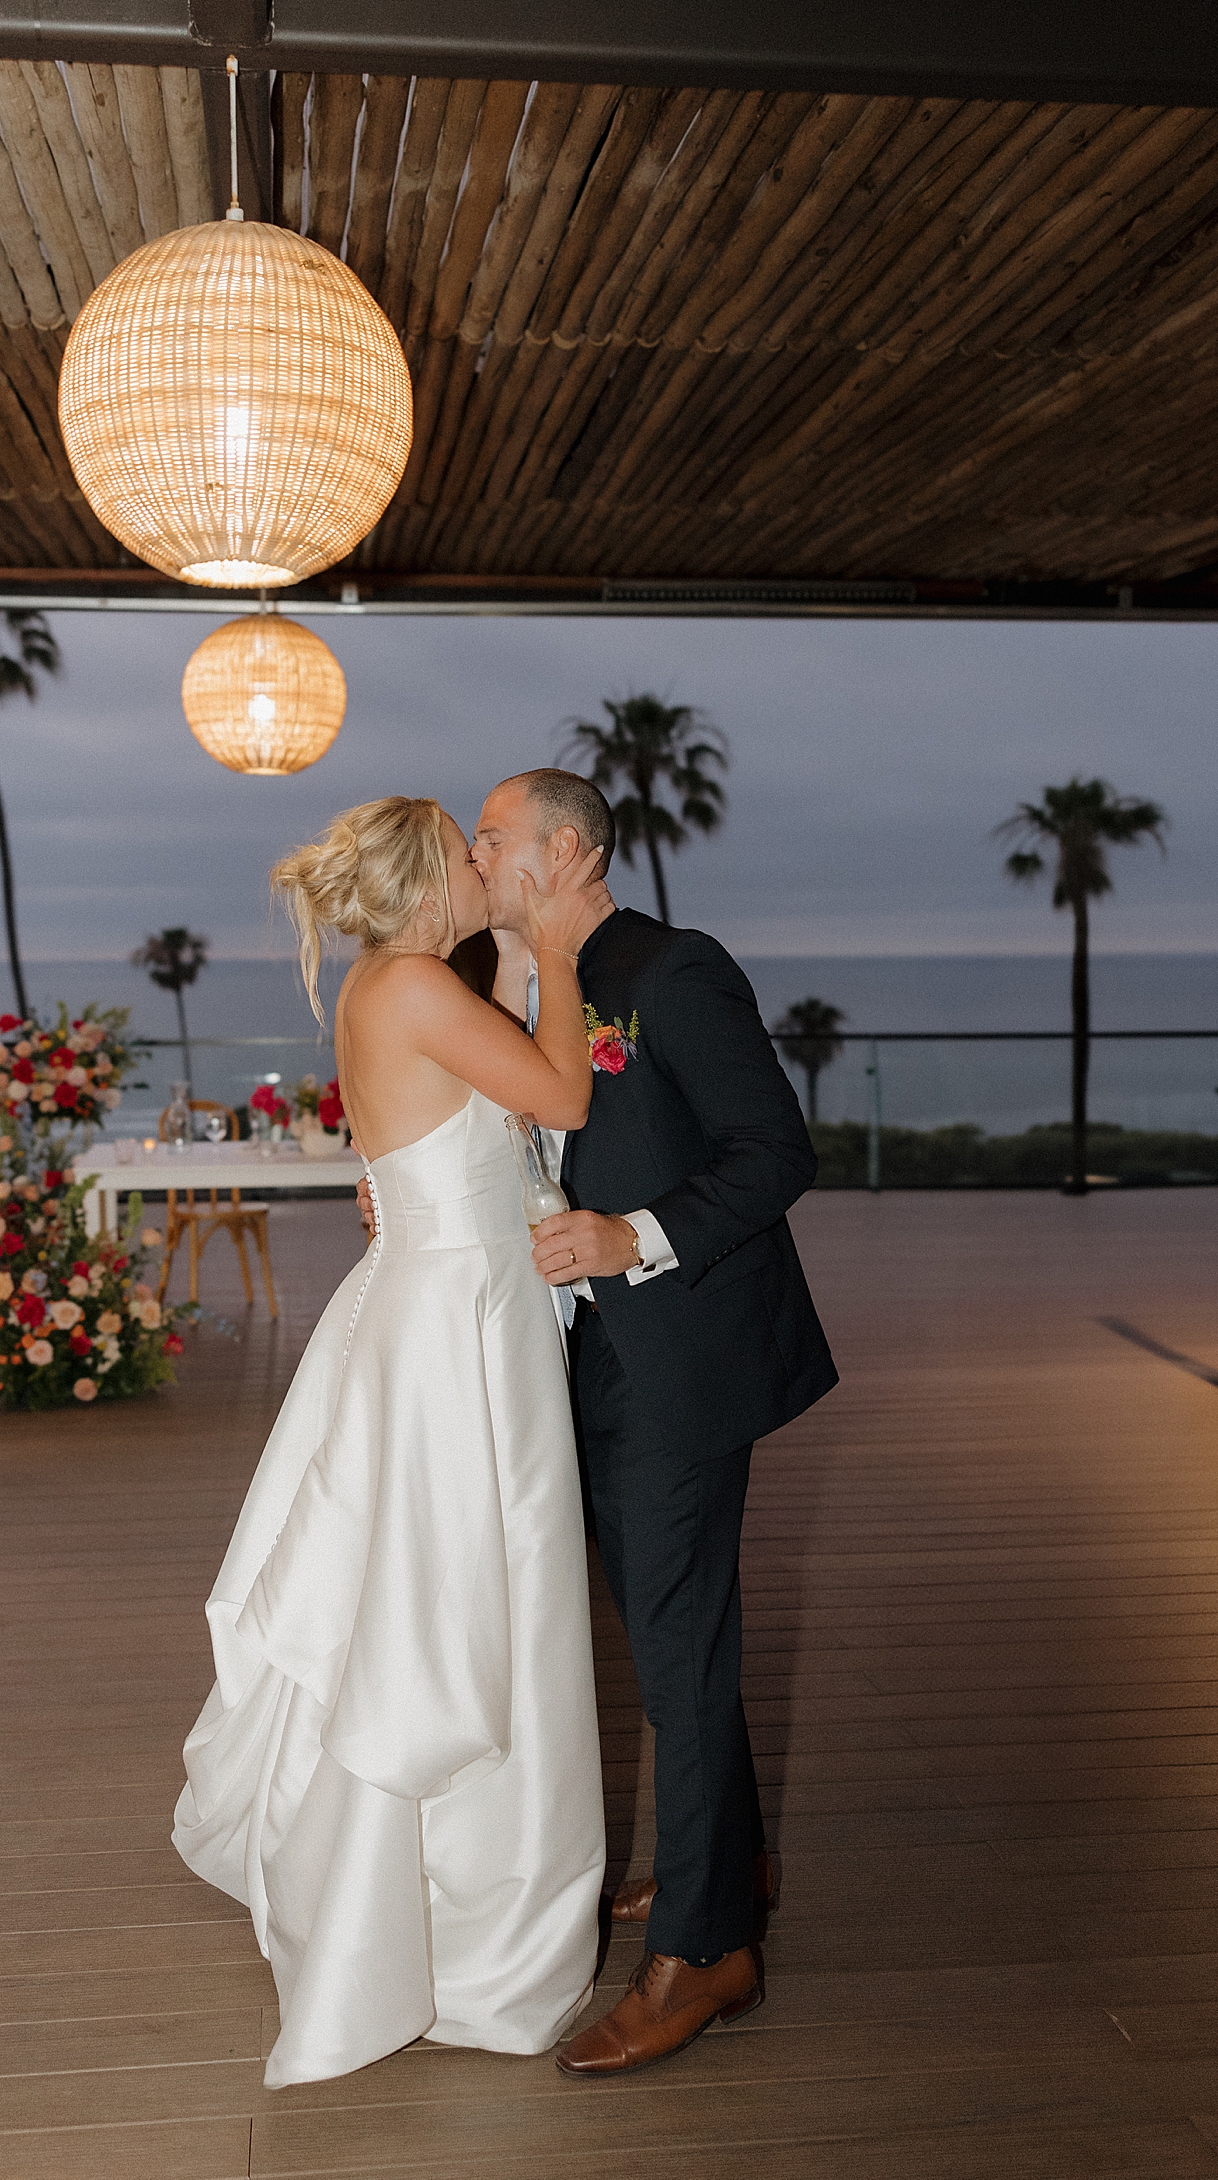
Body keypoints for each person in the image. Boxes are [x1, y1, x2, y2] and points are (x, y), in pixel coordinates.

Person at [172, 794, 612, 2089]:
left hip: (435, 1300)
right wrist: (567, 950)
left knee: (425, 1599)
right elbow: (568, 1093)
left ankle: (434, 1900)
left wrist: (526, 961)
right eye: (471, 855)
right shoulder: (417, 984)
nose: (488, 866)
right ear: (434, 884)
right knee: (466, 1602)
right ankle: (467, 1937)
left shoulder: (392, 981)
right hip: (456, 1330)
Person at [469, 766, 838, 2076]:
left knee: (677, 1646)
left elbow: (776, 1151)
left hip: (682, 1357)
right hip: (576, 1359)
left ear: (566, 849)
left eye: (495, 837)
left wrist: (637, 1232)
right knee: (669, 1630)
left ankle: (701, 1949)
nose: (477, 854)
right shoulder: (499, 975)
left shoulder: (672, 968)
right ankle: (725, 1858)